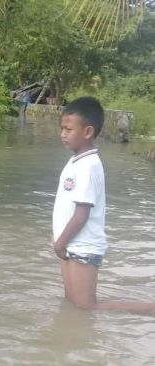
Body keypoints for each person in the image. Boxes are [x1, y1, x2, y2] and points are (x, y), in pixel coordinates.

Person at [51, 96, 155, 314]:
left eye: (69, 129)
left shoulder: (88, 166)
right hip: (70, 245)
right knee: (72, 305)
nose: (63, 134)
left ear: (88, 132)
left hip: (83, 247)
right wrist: (59, 239)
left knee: (87, 307)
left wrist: (60, 243)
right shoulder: (76, 161)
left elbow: (81, 215)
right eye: (62, 128)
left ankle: (150, 309)